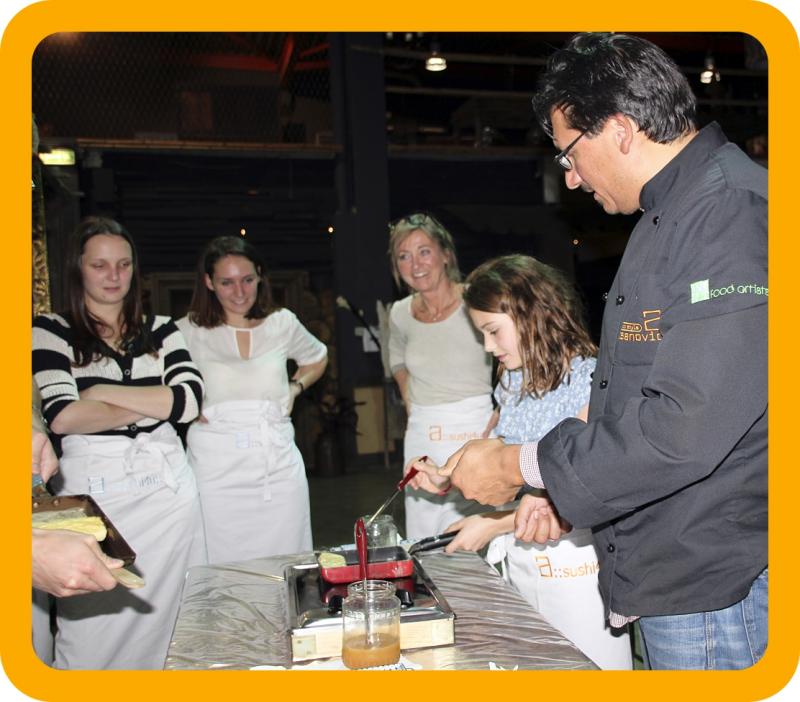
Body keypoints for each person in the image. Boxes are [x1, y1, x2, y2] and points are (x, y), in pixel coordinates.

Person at [438, 33, 768, 670]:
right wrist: (561, 489)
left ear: (619, 129)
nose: (569, 176)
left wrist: (519, 465)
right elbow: (629, 400)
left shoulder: (727, 215)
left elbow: (681, 429)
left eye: (568, 153)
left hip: (715, 582)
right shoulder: (670, 216)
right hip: (674, 562)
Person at [409, 254, 631, 669]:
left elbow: (578, 487)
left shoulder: (592, 381)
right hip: (522, 558)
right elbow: (495, 452)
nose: (488, 347)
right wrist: (445, 476)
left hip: (577, 566)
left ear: (533, 314)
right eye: (482, 335)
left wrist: (493, 523)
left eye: (493, 331)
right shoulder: (513, 380)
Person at [32, 216, 206, 669]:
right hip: (99, 493)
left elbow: (190, 401)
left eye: (123, 265)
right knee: (92, 622)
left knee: (176, 614)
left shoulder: (162, 328)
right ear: (79, 269)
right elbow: (63, 415)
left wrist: (100, 392)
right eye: (100, 265)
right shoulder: (51, 329)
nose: (114, 276)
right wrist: (154, 403)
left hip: (168, 494)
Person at [177, 236, 327, 563]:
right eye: (227, 282)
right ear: (209, 282)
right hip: (216, 473)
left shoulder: (281, 323)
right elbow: (155, 378)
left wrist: (295, 387)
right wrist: (185, 405)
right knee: (222, 562)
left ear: (260, 275)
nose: (240, 292)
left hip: (277, 469)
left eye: (247, 280)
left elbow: (317, 357)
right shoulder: (188, 330)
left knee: (286, 560)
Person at [387, 213, 494, 539]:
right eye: (404, 256)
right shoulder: (399, 313)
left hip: (475, 430)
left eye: (424, 251)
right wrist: (411, 405)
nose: (415, 264)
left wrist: (500, 419)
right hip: (423, 435)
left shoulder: (476, 299)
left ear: (445, 254)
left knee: (477, 529)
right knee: (425, 534)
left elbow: (515, 356)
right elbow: (397, 363)